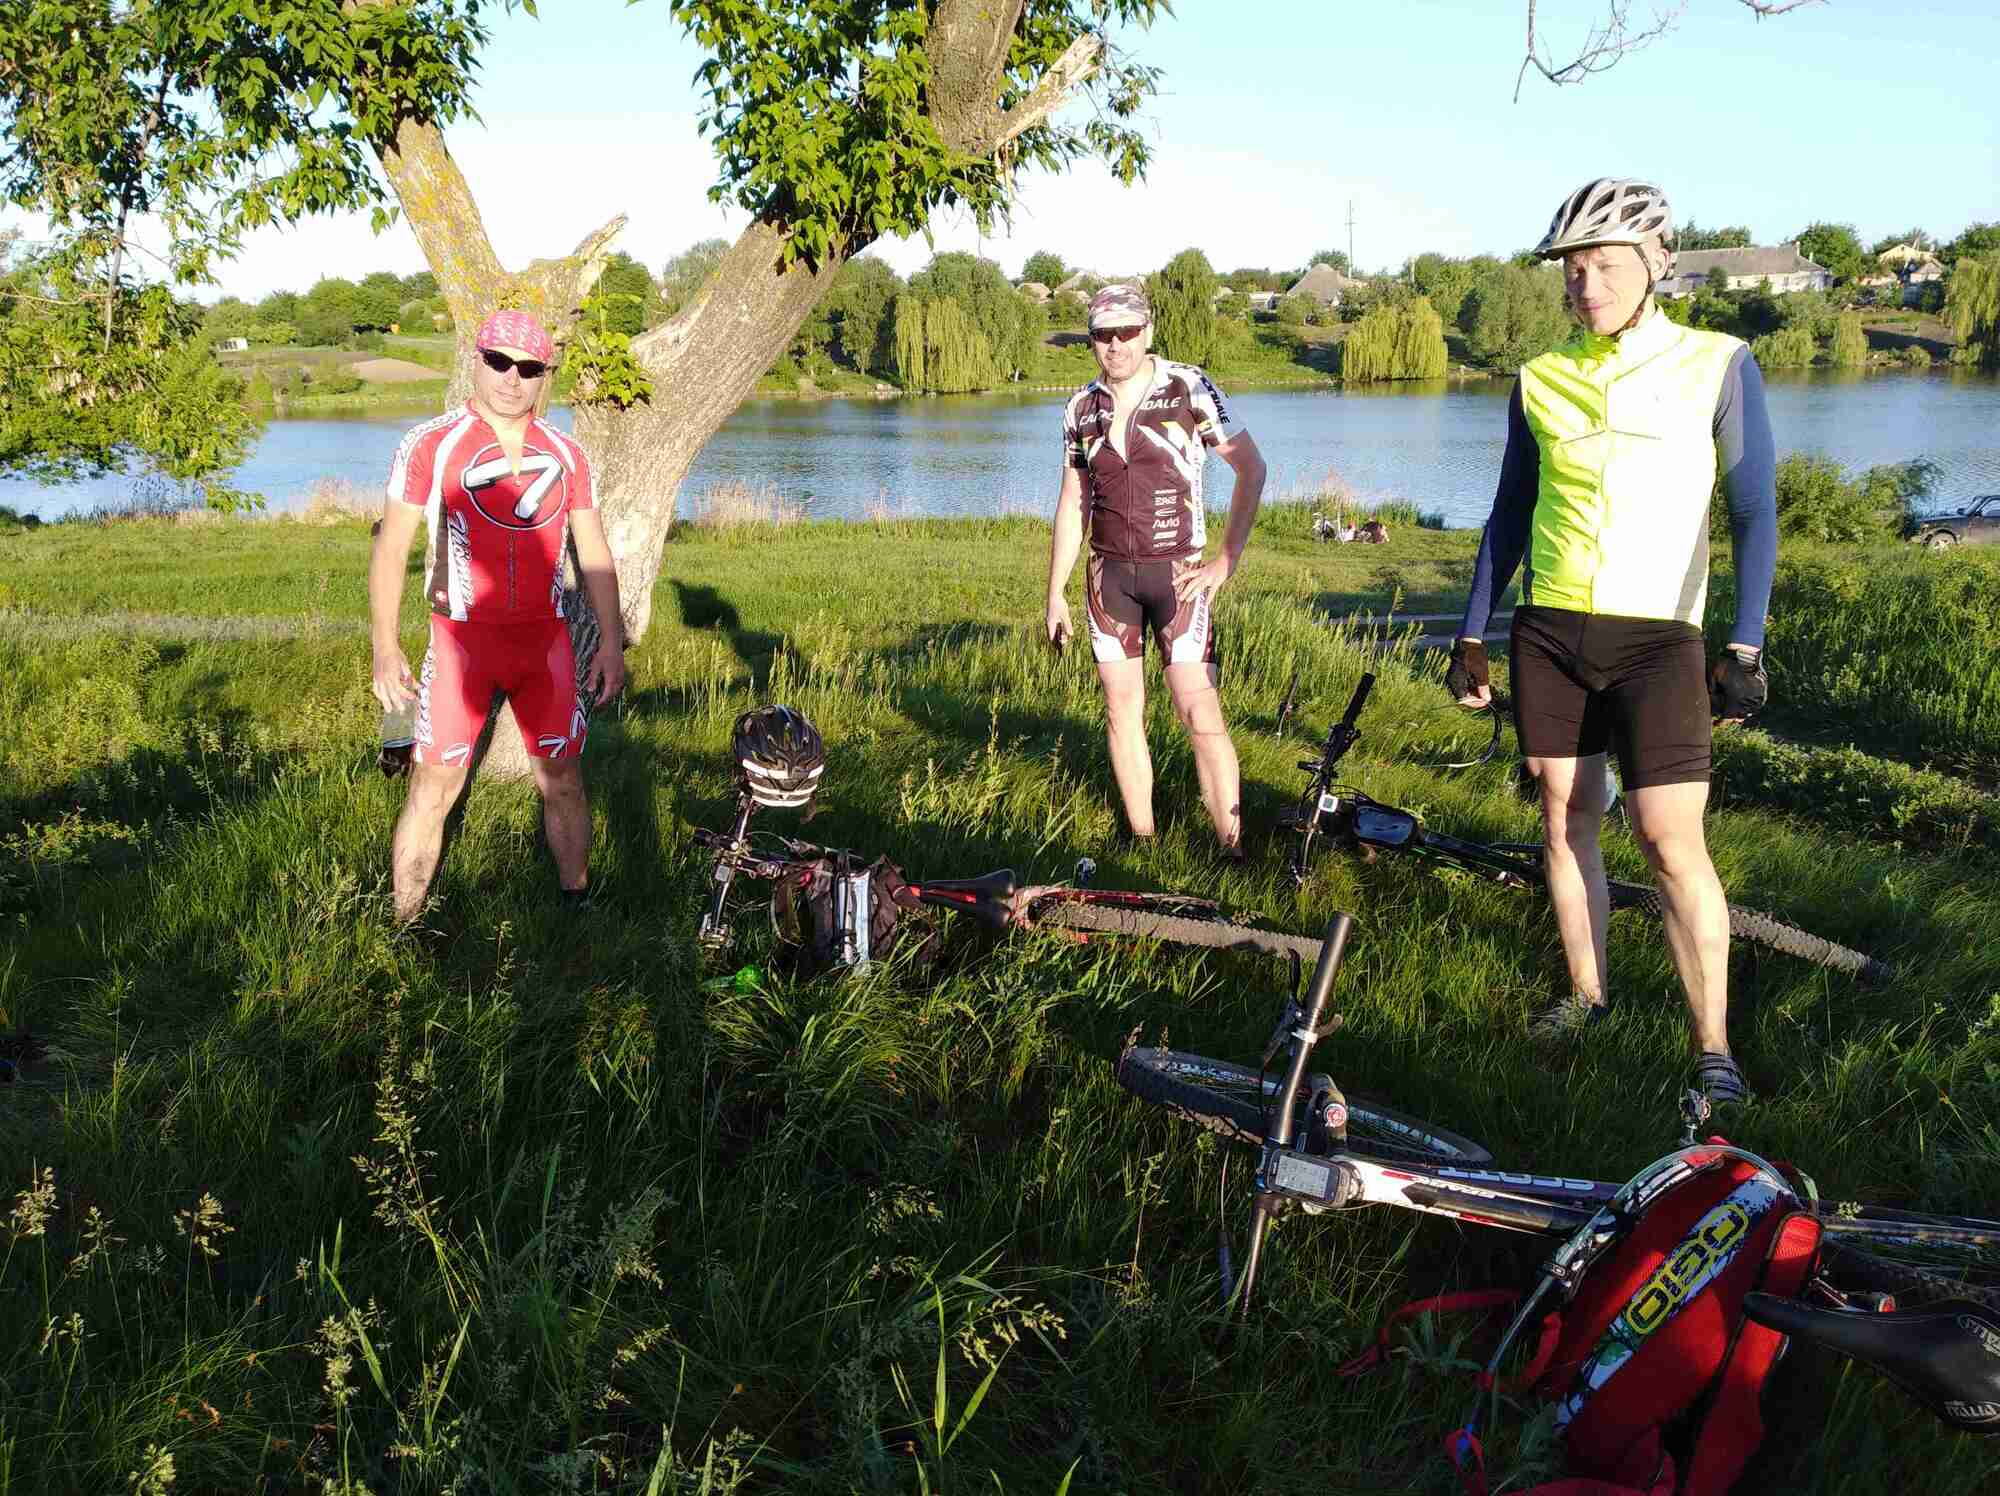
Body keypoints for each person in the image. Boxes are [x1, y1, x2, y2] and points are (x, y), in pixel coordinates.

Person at [1446, 178, 1777, 1106]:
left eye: (1604, 266)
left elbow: (1753, 510)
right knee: (1565, 816)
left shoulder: (1718, 363)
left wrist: (1744, 645)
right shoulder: (1539, 376)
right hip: (1550, 629)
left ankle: (1713, 1049)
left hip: (1659, 637)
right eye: (1572, 269)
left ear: (1656, 263)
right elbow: (1510, 512)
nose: (1585, 285)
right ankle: (1589, 996)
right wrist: (1472, 631)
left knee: (1669, 838)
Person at [368, 310, 627, 923]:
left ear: (545, 377)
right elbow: (391, 549)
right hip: (460, 641)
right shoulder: (430, 444)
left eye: (529, 368)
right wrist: (385, 645)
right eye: (499, 362)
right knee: (434, 785)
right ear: (476, 361)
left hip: (545, 641)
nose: (512, 378)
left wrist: (611, 643)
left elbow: (593, 552)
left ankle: (576, 910)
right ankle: (403, 923)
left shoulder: (567, 452)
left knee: (563, 779)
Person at [1045, 284, 1268, 856]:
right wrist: (1055, 593)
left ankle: (1232, 848)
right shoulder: (1080, 408)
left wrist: (1227, 558)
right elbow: (1073, 501)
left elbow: (1251, 467)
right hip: (1109, 579)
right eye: (1103, 335)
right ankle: (1142, 840)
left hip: (1178, 576)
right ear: (1091, 340)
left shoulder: (1187, 386)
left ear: (1147, 332)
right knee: (1121, 711)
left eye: (1127, 332)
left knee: (1198, 707)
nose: (1115, 344)